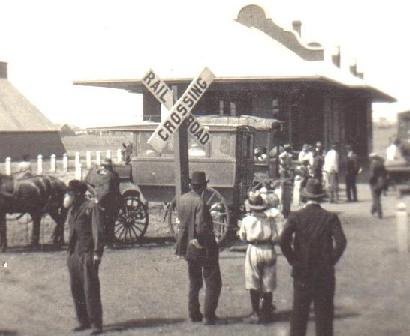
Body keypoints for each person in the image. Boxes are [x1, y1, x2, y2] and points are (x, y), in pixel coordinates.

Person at [280, 178, 347, 336]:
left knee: (299, 315)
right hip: (324, 273)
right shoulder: (330, 217)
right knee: (324, 317)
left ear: (305, 197)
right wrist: (331, 260)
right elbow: (341, 242)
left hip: (302, 271)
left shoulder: (296, 216)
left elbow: (283, 240)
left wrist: (293, 260)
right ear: (321, 197)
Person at [175, 171, 222, 325]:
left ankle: (194, 313)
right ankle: (209, 315)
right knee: (212, 281)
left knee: (194, 281)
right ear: (203, 186)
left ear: (191, 185)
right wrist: (205, 243)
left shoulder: (182, 199)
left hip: (188, 246)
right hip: (203, 247)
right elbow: (201, 228)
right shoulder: (200, 203)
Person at [64, 180, 104, 335]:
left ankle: (96, 324)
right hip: (74, 254)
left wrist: (97, 252)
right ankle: (83, 321)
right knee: (76, 289)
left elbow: (97, 231)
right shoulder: (73, 210)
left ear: (78, 194)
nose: (67, 196)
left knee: (90, 289)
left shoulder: (91, 207)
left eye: (70, 193)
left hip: (87, 254)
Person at [238, 193, 283, 324]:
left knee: (253, 281)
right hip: (268, 248)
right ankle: (267, 313)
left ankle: (255, 313)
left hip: (254, 249)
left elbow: (242, 236)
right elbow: (276, 236)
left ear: (251, 207)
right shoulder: (270, 219)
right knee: (268, 283)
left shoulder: (247, 220)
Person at [86, 158, 120, 247]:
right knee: (110, 222)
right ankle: (109, 240)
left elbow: (87, 183)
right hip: (109, 201)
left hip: (94, 199)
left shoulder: (93, 173)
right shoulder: (112, 175)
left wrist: (94, 196)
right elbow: (109, 190)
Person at [369, 153, 387, 218]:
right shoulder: (381, 164)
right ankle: (373, 210)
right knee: (378, 198)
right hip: (381, 182)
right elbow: (385, 173)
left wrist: (370, 181)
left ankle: (378, 213)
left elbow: (372, 175)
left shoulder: (373, 165)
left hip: (375, 183)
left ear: (372, 158)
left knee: (375, 198)